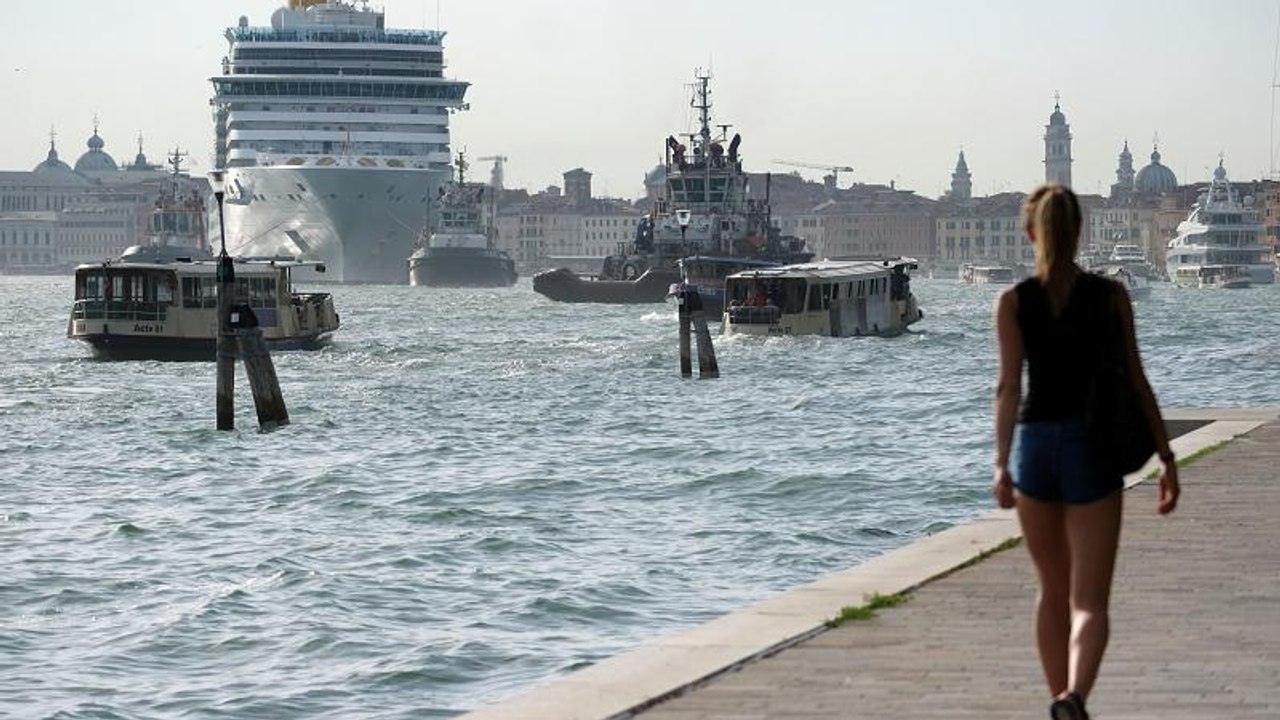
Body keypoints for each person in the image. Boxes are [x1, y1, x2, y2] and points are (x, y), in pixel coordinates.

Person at [991, 184, 1180, 720]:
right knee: (1089, 599)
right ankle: (1073, 698)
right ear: (1082, 232)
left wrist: (1001, 466)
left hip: (1034, 449)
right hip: (1092, 446)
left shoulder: (1012, 302)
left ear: (1030, 234)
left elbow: (1008, 389)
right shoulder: (1111, 297)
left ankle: (1060, 704)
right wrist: (1166, 458)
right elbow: (1138, 381)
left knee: (1050, 590)